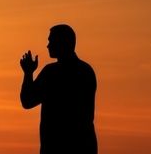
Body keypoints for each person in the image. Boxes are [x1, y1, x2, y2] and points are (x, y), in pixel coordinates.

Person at [20, 24, 97, 154]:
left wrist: (28, 73)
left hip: (56, 146)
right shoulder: (86, 70)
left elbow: (27, 101)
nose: (48, 45)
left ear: (63, 43)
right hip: (84, 145)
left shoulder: (52, 72)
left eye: (51, 41)